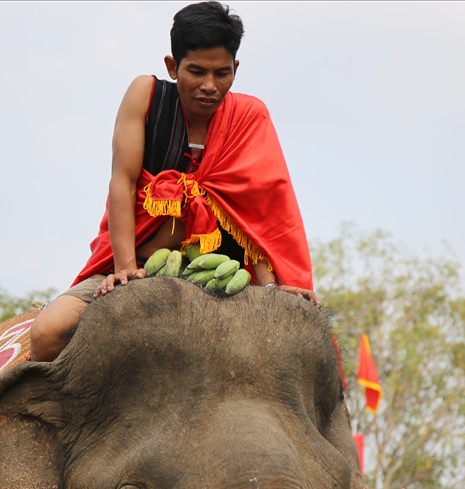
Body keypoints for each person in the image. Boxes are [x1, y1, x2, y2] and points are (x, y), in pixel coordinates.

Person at [29, 1, 318, 363]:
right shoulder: (146, 97)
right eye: (196, 71)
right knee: (47, 332)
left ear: (236, 69)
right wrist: (123, 270)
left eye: (222, 73)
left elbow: (261, 214)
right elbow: (122, 182)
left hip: (221, 277)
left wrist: (274, 289)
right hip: (137, 264)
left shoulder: (250, 116)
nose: (210, 86)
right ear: (172, 66)